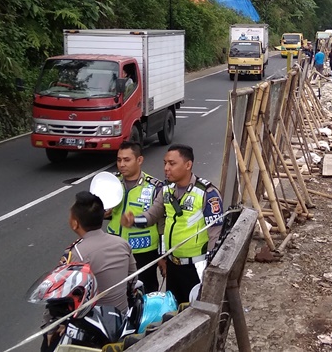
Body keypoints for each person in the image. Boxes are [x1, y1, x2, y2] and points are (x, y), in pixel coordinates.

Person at [121, 144, 224, 305]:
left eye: (172, 163)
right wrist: (133, 220)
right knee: (173, 311)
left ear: (188, 165)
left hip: (196, 268)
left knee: (195, 313)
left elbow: (215, 234)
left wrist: (209, 270)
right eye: (164, 163)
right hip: (173, 265)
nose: (166, 168)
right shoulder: (166, 190)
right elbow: (152, 216)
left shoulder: (206, 193)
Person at [43, 192, 137, 351]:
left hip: (91, 330)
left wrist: (50, 329)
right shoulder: (122, 243)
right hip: (122, 320)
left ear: (75, 223)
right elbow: (133, 280)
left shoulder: (75, 254)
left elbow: (60, 299)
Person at [106, 141, 164, 293]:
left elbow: (161, 223)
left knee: (145, 292)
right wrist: (104, 212)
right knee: (116, 292)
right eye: (119, 160)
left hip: (143, 251)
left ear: (139, 160)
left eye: (127, 160)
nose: (122, 164)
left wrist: (163, 255)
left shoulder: (155, 187)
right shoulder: (111, 183)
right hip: (114, 248)